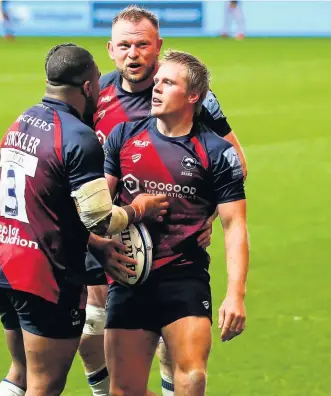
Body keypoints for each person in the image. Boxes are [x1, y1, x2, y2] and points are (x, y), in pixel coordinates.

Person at [80, 5, 248, 396]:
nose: (133, 54)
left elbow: (233, 164)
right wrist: (95, 234)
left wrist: (201, 211)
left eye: (142, 45)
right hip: (113, 237)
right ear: (110, 48)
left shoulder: (196, 99)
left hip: (177, 254)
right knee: (91, 326)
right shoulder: (97, 97)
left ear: (158, 47)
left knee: (177, 357)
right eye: (124, 45)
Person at [0, 43, 168, 396]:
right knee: (45, 385)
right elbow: (100, 218)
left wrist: (93, 247)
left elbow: (44, 204)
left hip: (3, 264)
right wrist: (138, 209)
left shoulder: (20, 122)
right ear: (87, 87)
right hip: (44, 276)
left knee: (19, 373)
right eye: (98, 82)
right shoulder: (78, 136)